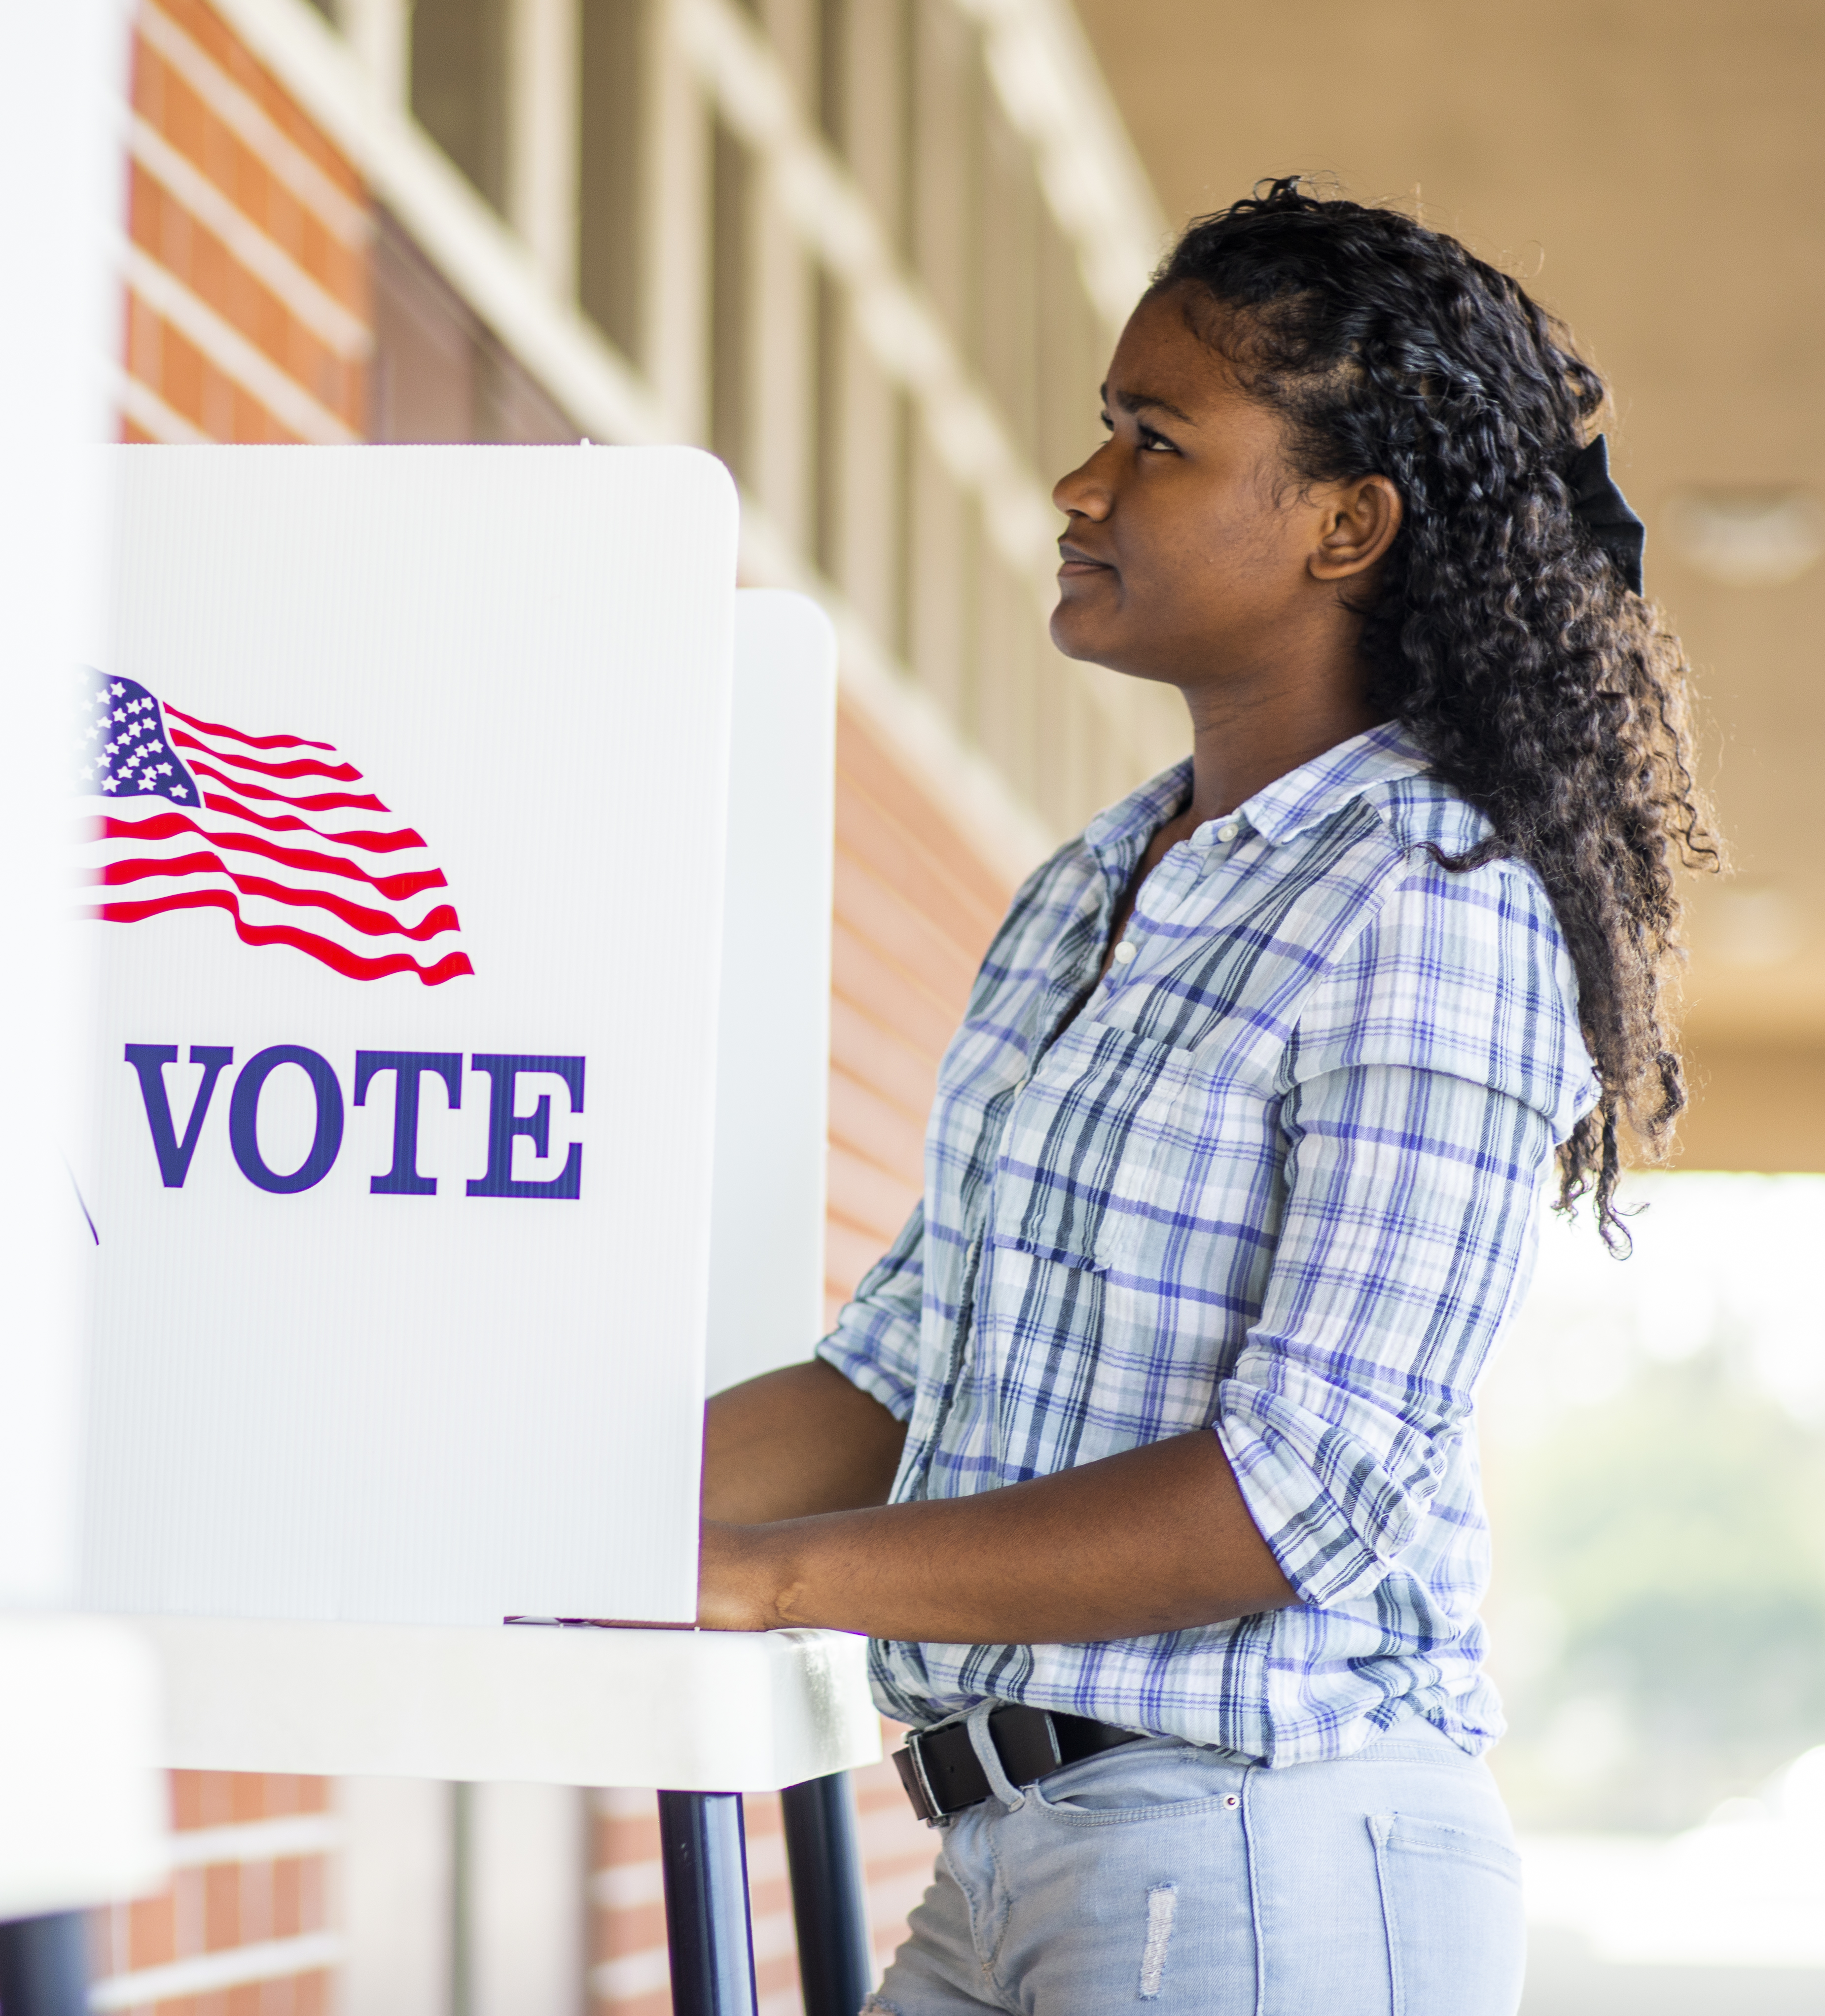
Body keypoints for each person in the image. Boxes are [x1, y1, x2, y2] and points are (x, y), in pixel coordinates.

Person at [694, 178, 1713, 2013]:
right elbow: (902, 1373)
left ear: (1347, 525)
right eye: (1106, 431)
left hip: (1266, 1861)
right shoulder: (1098, 883)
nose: (1081, 489)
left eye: (1153, 441)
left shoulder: (1437, 905)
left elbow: (1294, 1495)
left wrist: (767, 1582)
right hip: (1004, 1862)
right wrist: (551, 1528)